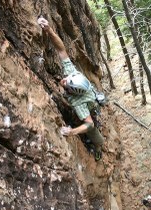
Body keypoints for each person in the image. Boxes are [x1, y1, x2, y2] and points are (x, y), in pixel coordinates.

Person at [37, 17, 104, 161]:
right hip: (87, 99)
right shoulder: (72, 74)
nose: (63, 80)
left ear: (72, 91)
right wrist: (48, 29)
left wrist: (71, 132)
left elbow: (89, 124)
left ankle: (98, 148)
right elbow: (61, 49)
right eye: (66, 80)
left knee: (94, 134)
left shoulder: (78, 103)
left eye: (66, 84)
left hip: (89, 109)